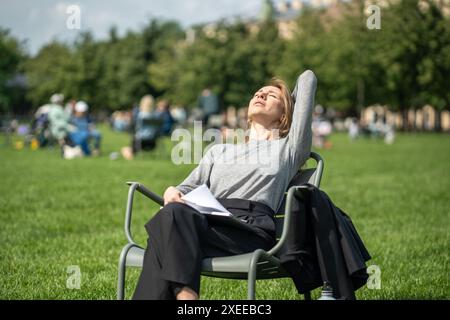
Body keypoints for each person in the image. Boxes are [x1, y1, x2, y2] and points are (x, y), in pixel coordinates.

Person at [132, 71, 316, 300]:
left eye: (271, 96)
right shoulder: (220, 150)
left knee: (165, 230)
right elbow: (186, 187)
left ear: (284, 115)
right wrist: (172, 190)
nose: (260, 95)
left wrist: (287, 96)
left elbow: (307, 79)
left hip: (248, 231)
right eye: (258, 93)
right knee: (171, 216)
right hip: (204, 223)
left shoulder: (289, 149)